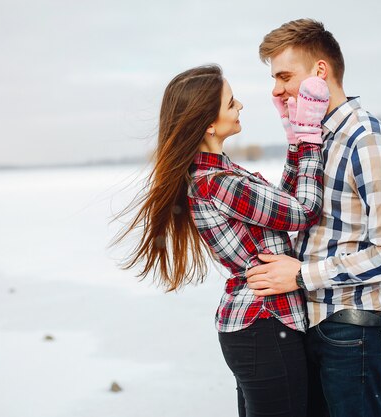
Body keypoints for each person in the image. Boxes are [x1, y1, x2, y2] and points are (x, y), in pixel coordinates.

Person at [112, 64, 329, 417]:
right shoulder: (216, 182)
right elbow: (304, 211)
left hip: (261, 327)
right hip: (265, 324)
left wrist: (293, 138)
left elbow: (284, 207)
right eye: (231, 103)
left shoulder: (221, 172)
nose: (240, 105)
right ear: (209, 123)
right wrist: (308, 137)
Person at [245, 19, 381, 417]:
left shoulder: (366, 139)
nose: (276, 89)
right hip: (318, 323)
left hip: (356, 329)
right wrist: (295, 141)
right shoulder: (317, 138)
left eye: (285, 76)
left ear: (320, 72)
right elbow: (296, 215)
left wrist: (303, 274)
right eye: (274, 79)